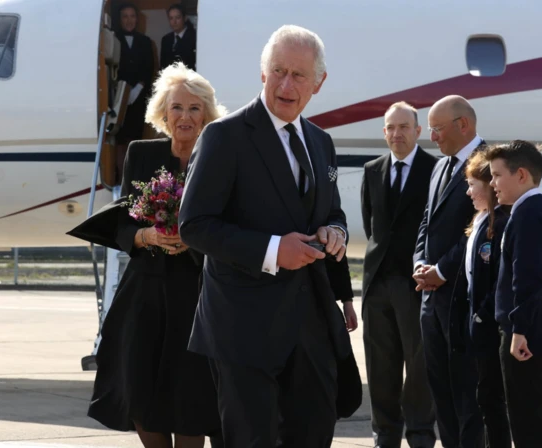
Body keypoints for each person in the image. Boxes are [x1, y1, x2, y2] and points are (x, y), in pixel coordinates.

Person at [178, 24, 360, 448]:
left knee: (314, 434)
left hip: (311, 325)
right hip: (243, 326)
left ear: (319, 82)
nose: (286, 84)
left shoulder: (320, 142)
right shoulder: (224, 137)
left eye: (298, 75)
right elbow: (194, 224)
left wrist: (334, 231)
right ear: (262, 74)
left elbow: (331, 211)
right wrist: (274, 250)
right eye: (278, 71)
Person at [67, 62, 227, 448]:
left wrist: (195, 240)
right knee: (139, 390)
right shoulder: (141, 154)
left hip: (197, 298)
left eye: (193, 108)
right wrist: (147, 236)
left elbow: (230, 227)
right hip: (144, 297)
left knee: (191, 398)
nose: (184, 116)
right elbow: (121, 224)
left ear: (206, 114)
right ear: (163, 112)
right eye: (176, 107)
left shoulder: (220, 159)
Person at [360, 102, 437, 448]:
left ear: (418, 131)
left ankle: (420, 434)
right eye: (390, 128)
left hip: (414, 285)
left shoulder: (434, 171)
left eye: (404, 127)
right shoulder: (372, 170)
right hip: (377, 285)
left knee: (418, 366)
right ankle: (385, 434)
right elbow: (371, 224)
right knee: (380, 367)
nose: (397, 134)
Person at [412, 95, 485, 448]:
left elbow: (482, 226)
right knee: (440, 390)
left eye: (437, 129)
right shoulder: (441, 166)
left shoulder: (488, 163)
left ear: (463, 125)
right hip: (432, 298)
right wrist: (419, 264)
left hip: (464, 298)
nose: (432, 137)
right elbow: (427, 220)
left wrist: (442, 269)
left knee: (468, 395)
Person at [485, 140, 542, 448]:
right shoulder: (538, 210)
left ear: (521, 175)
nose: (492, 183)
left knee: (526, 417)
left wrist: (519, 329)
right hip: (533, 329)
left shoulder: (528, 214)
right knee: (529, 413)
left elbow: (528, 278)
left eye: (496, 175)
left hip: (527, 334)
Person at [450, 150, 511, 447]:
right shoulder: (479, 221)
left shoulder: (500, 225)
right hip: (475, 327)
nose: (469, 191)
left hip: (488, 326)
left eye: (474, 184)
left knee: (493, 400)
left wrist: (480, 316)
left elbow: (499, 280)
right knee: (482, 398)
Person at [115, 2, 155, 184]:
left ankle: (135, 179)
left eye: (132, 16)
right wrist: (122, 92)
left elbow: (149, 68)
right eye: (125, 16)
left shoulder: (145, 42)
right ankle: (121, 178)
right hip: (117, 98)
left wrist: (138, 88)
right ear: (120, 19)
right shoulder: (113, 39)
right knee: (119, 140)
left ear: (137, 19)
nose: (129, 20)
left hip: (139, 99)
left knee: (135, 139)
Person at [160, 4, 196, 71]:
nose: (174, 22)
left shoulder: (194, 37)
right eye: (171, 18)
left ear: (184, 18)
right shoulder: (166, 39)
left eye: (178, 17)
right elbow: (163, 65)